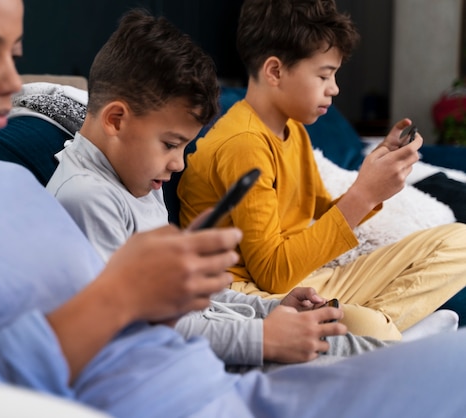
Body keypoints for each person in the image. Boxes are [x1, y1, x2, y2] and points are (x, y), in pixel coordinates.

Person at [0, 0, 466, 417]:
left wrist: (262, 311)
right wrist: (123, 297)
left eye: (15, 52)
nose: (13, 82)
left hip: (234, 389)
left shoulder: (3, 185)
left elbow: (164, 315)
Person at [46, 8, 395, 369]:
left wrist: (273, 309)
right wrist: (262, 337)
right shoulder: (87, 198)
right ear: (116, 120)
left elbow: (194, 298)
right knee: (384, 365)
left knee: (386, 356)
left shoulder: (138, 178)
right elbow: (133, 325)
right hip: (214, 359)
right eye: (170, 144)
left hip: (239, 337)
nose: (179, 164)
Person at [177, 0, 466, 341]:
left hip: (306, 280)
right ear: (275, 71)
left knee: (460, 238)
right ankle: (384, 332)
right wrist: (364, 194)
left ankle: (383, 331)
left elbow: (320, 215)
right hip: (247, 297)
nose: (335, 88)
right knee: (365, 325)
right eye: (324, 74)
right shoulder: (243, 145)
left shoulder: (292, 130)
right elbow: (273, 274)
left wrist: (372, 178)